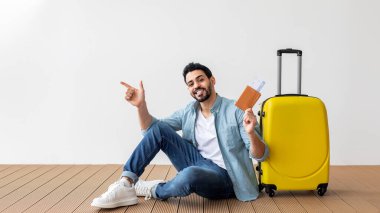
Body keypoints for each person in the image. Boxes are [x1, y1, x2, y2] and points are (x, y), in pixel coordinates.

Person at [91, 62, 269, 208]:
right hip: (197, 162)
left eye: (200, 80)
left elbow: (261, 155)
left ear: (212, 80)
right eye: (191, 84)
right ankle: (126, 183)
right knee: (160, 130)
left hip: (227, 177)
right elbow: (151, 131)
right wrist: (140, 106)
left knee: (189, 175)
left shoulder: (236, 110)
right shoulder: (189, 112)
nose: (196, 86)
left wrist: (251, 132)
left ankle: (154, 189)